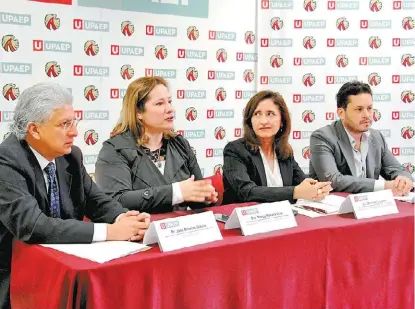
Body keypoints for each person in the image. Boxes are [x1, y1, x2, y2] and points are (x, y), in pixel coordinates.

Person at [0, 83, 151, 309]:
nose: (74, 132)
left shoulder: (70, 156)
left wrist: (125, 219)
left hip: (63, 269)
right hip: (16, 276)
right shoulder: (6, 161)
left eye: (74, 122)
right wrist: (109, 231)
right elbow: (32, 225)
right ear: (34, 130)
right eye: (64, 124)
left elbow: (94, 200)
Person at [95, 76, 217, 213]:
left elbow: (197, 197)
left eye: (169, 101)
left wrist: (204, 196)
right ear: (138, 112)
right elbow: (117, 200)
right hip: (141, 231)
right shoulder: (114, 149)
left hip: (181, 231)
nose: (170, 109)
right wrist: (176, 192)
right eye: (160, 103)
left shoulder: (180, 144)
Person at [223, 90, 332, 205]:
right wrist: (295, 192)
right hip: (244, 218)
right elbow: (246, 192)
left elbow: (301, 182)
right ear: (250, 121)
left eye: (270, 114)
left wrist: (317, 188)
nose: (263, 121)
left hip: (281, 217)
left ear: (282, 121)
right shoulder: (235, 150)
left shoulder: (284, 151)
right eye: (257, 114)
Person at [309, 81, 413, 194]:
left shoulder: (377, 137)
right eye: (359, 109)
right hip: (335, 207)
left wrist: (404, 180)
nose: (367, 115)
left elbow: (396, 170)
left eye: (369, 108)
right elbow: (332, 181)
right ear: (341, 113)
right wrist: (384, 186)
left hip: (369, 206)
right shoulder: (322, 137)